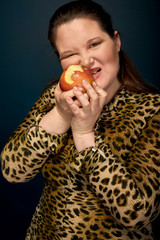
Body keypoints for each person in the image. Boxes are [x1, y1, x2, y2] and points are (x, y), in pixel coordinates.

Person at [1, 0, 160, 239]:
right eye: (70, 54)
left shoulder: (152, 111)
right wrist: (61, 114)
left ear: (116, 41)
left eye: (94, 44)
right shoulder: (54, 99)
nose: (85, 62)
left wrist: (85, 135)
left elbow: (137, 215)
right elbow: (12, 171)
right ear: (61, 62)